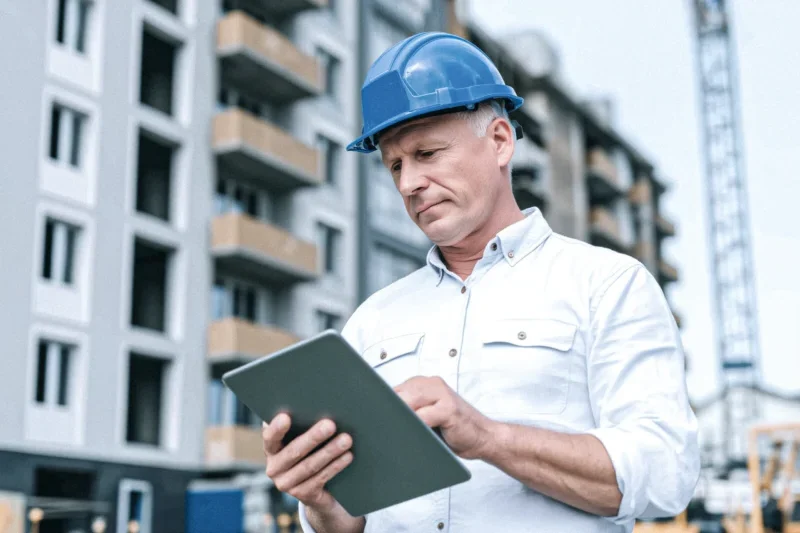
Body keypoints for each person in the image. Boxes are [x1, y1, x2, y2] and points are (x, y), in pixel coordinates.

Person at [261, 32, 700, 532]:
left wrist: (489, 438)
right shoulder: (372, 320)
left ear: (499, 141)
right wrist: (319, 497)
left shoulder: (607, 285)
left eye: (427, 153)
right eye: (396, 166)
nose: (408, 184)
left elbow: (667, 474)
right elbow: (350, 524)